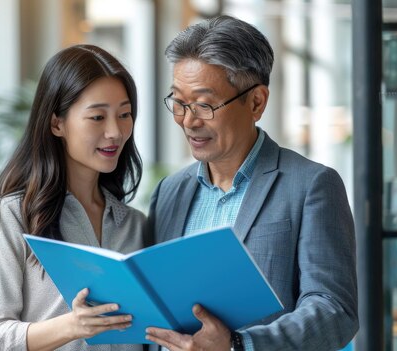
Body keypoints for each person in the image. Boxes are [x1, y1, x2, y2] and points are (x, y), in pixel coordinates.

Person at [145, 15, 358, 351]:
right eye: (179, 102)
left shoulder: (311, 186)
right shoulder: (169, 192)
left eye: (204, 104)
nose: (188, 120)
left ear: (256, 102)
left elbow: (334, 311)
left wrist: (238, 345)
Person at [0, 44, 147, 351]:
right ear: (57, 123)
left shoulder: (136, 225)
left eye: (124, 114)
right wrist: (71, 326)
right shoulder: (13, 215)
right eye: (98, 117)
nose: (115, 132)